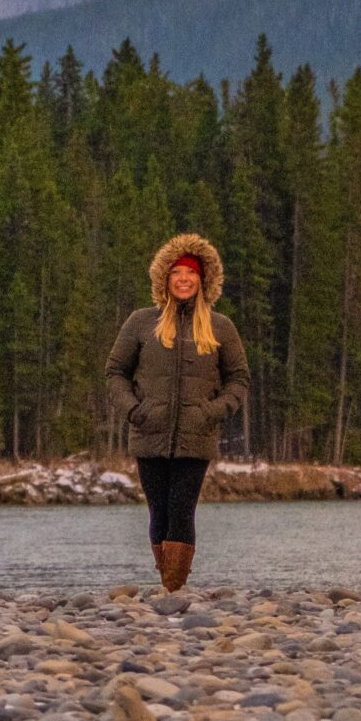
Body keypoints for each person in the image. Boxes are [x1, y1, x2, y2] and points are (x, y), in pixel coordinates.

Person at [102, 233, 249, 593]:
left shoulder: (221, 327)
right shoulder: (140, 322)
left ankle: (173, 590)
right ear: (164, 280)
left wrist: (212, 412)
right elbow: (115, 372)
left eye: (191, 273)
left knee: (182, 509)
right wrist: (134, 410)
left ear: (203, 280)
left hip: (196, 437)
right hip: (148, 433)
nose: (184, 279)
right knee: (159, 513)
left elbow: (238, 379)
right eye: (177, 273)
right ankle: (168, 584)